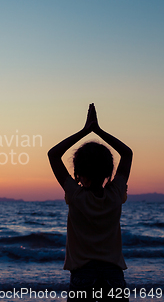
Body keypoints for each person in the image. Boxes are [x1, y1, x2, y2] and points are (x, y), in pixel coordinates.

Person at [48, 103, 133, 302]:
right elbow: (127, 154)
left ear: (78, 173)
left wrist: (85, 131)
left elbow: (53, 154)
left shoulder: (76, 196)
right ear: (108, 171)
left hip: (82, 275)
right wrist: (99, 131)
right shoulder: (115, 194)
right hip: (113, 275)